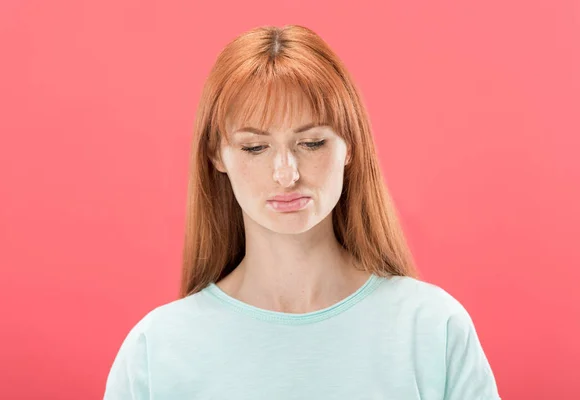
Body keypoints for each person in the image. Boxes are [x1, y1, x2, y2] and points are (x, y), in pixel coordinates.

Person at [103, 25, 501, 399]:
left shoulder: (433, 329)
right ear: (216, 156)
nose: (285, 174)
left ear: (351, 146)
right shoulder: (157, 350)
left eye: (311, 143)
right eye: (255, 148)